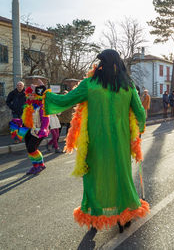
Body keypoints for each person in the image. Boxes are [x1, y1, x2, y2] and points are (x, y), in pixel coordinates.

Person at [42, 49, 149, 232]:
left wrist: (45, 97)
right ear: (118, 64)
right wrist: (138, 131)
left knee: (94, 177)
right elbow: (139, 113)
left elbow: (65, 100)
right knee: (121, 175)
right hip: (121, 141)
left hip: (95, 141)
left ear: (100, 64)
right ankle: (124, 216)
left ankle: (94, 215)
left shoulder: (90, 84)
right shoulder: (128, 85)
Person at [22, 85, 49, 175]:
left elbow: (45, 118)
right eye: (29, 95)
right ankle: (36, 166)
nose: (31, 97)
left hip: (38, 130)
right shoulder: (27, 105)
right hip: (28, 130)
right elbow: (26, 118)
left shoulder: (41, 106)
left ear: (36, 95)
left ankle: (39, 166)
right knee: (29, 149)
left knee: (32, 148)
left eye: (32, 95)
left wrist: (44, 129)